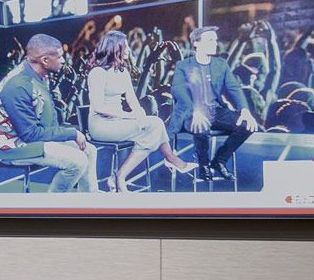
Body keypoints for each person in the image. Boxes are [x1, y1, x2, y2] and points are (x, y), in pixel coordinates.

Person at [85, 30, 194, 191]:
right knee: (154, 127)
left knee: (153, 125)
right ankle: (167, 160)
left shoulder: (122, 72)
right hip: (101, 125)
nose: (128, 49)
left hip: (120, 120)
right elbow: (99, 107)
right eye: (126, 46)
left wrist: (140, 114)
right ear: (115, 49)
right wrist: (130, 116)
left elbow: (132, 99)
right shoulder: (97, 73)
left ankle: (120, 176)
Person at [0, 34, 91, 191]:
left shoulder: (40, 77)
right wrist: (72, 133)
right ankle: (52, 208)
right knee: (79, 161)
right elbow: (30, 134)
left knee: (89, 151)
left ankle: (90, 199)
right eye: (60, 56)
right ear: (45, 60)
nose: (64, 61)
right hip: (12, 147)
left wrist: (66, 135)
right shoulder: (18, 85)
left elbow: (45, 120)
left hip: (33, 138)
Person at [170, 25, 260, 182]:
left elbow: (234, 88)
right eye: (210, 40)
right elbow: (178, 91)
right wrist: (194, 111)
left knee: (247, 124)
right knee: (201, 125)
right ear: (196, 43)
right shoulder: (183, 66)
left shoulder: (221, 64)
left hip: (215, 111)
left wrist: (245, 110)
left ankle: (219, 161)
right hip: (190, 112)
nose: (214, 43)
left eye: (215, 40)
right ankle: (203, 165)